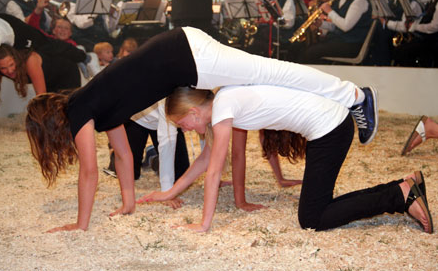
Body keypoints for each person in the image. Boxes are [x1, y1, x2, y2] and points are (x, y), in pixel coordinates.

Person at [25, 26, 377, 232]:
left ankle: (354, 96)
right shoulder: (97, 107)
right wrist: (128, 204)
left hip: (185, 55)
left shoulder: (79, 109)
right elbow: (123, 155)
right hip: (183, 56)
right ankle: (347, 99)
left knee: (273, 71)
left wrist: (80, 225)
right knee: (270, 74)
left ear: (49, 125)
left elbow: (89, 173)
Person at [138, 85, 433, 234]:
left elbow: (213, 172)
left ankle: (399, 196)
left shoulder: (224, 106)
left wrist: (204, 224)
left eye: (181, 124)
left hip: (329, 128)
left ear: (192, 114)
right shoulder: (222, 102)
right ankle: (402, 187)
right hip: (329, 126)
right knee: (319, 207)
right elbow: (205, 161)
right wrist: (169, 192)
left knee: (312, 219)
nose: (184, 129)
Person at [0, 14, 86, 142]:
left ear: (16, 60)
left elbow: (41, 95)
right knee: (54, 119)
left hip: (66, 72)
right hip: (48, 74)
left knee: (69, 115)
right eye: (3, 69)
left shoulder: (30, 61)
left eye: (11, 65)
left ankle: (82, 57)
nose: (9, 71)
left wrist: (43, 130)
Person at [299, 0, 377, 64]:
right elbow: (338, 26)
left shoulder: (360, 0)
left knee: (311, 53)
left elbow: (345, 26)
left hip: (352, 44)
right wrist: (322, 24)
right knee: (305, 49)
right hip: (344, 41)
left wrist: (329, 11)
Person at [392, 0, 438, 67]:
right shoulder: (431, 2)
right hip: (426, 39)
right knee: (400, 50)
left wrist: (415, 26)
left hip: (432, 42)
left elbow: (434, 27)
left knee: (402, 52)